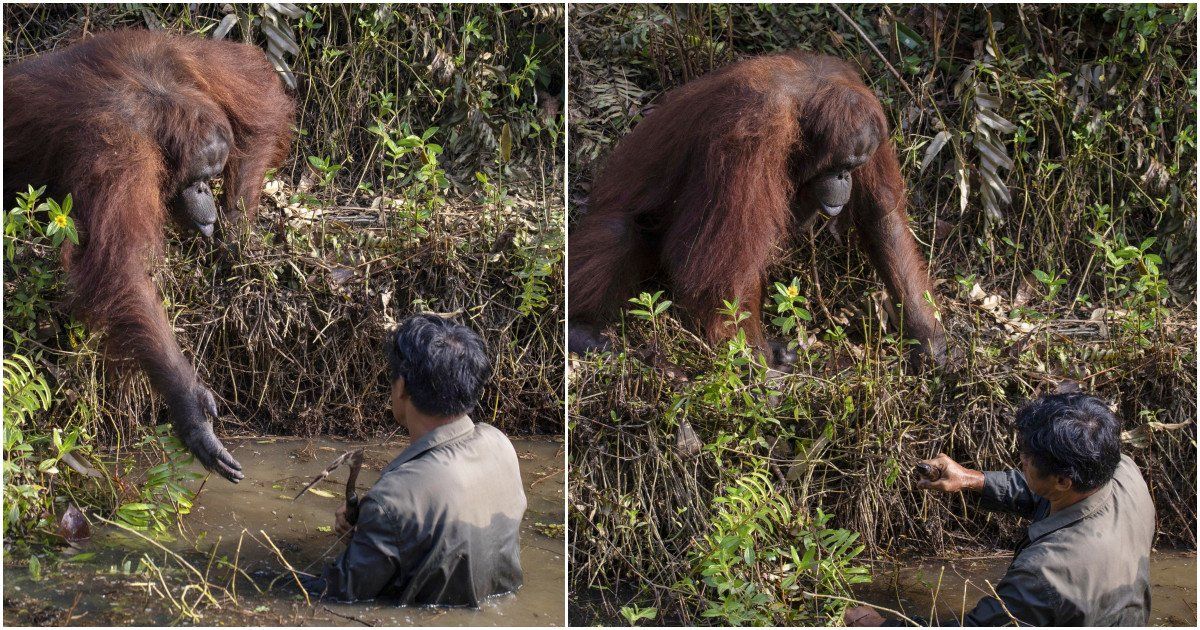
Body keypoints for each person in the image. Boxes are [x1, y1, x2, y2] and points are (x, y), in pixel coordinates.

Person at [846, 392, 1155, 626]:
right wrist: (970, 479)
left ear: (1062, 479)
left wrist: (881, 625)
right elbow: (1045, 494)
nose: (1021, 460)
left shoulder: (1046, 573)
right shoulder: (1121, 470)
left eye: (1028, 459)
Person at [302, 313, 527, 606]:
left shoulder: (393, 501)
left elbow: (336, 596)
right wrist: (370, 531)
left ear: (402, 387)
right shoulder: (499, 443)